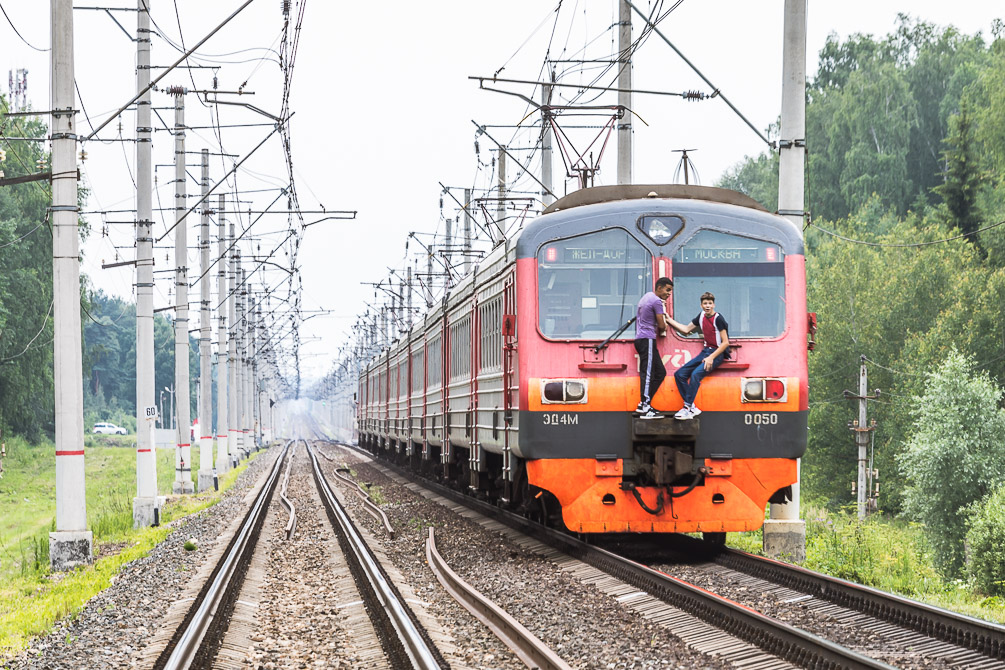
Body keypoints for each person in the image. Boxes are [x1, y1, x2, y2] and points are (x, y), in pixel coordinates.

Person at [666, 292, 730, 420]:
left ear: (714, 305)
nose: (708, 306)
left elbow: (725, 343)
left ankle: (687, 407)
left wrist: (711, 357)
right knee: (680, 374)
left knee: (695, 374)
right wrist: (668, 320)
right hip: (706, 352)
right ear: (701, 305)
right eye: (705, 303)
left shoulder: (718, 318)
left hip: (717, 354)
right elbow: (685, 330)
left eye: (710, 303)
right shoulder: (701, 316)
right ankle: (692, 408)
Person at [634, 277, 673, 420]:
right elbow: (662, 325)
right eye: (667, 290)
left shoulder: (646, 297)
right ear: (659, 288)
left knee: (660, 372)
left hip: (641, 339)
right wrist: (666, 321)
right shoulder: (656, 301)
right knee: (648, 373)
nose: (669, 294)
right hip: (647, 339)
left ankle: (644, 403)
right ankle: (645, 406)